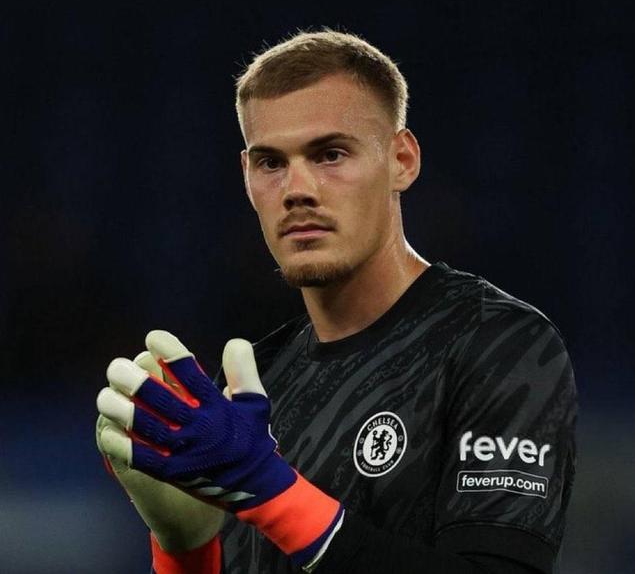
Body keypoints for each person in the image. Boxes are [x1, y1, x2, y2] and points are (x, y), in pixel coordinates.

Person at [96, 30, 577, 574]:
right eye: (271, 163)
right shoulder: (255, 384)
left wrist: (270, 491)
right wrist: (184, 550)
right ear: (246, 177)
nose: (297, 189)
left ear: (402, 160)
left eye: (330, 154)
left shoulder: (499, 346)